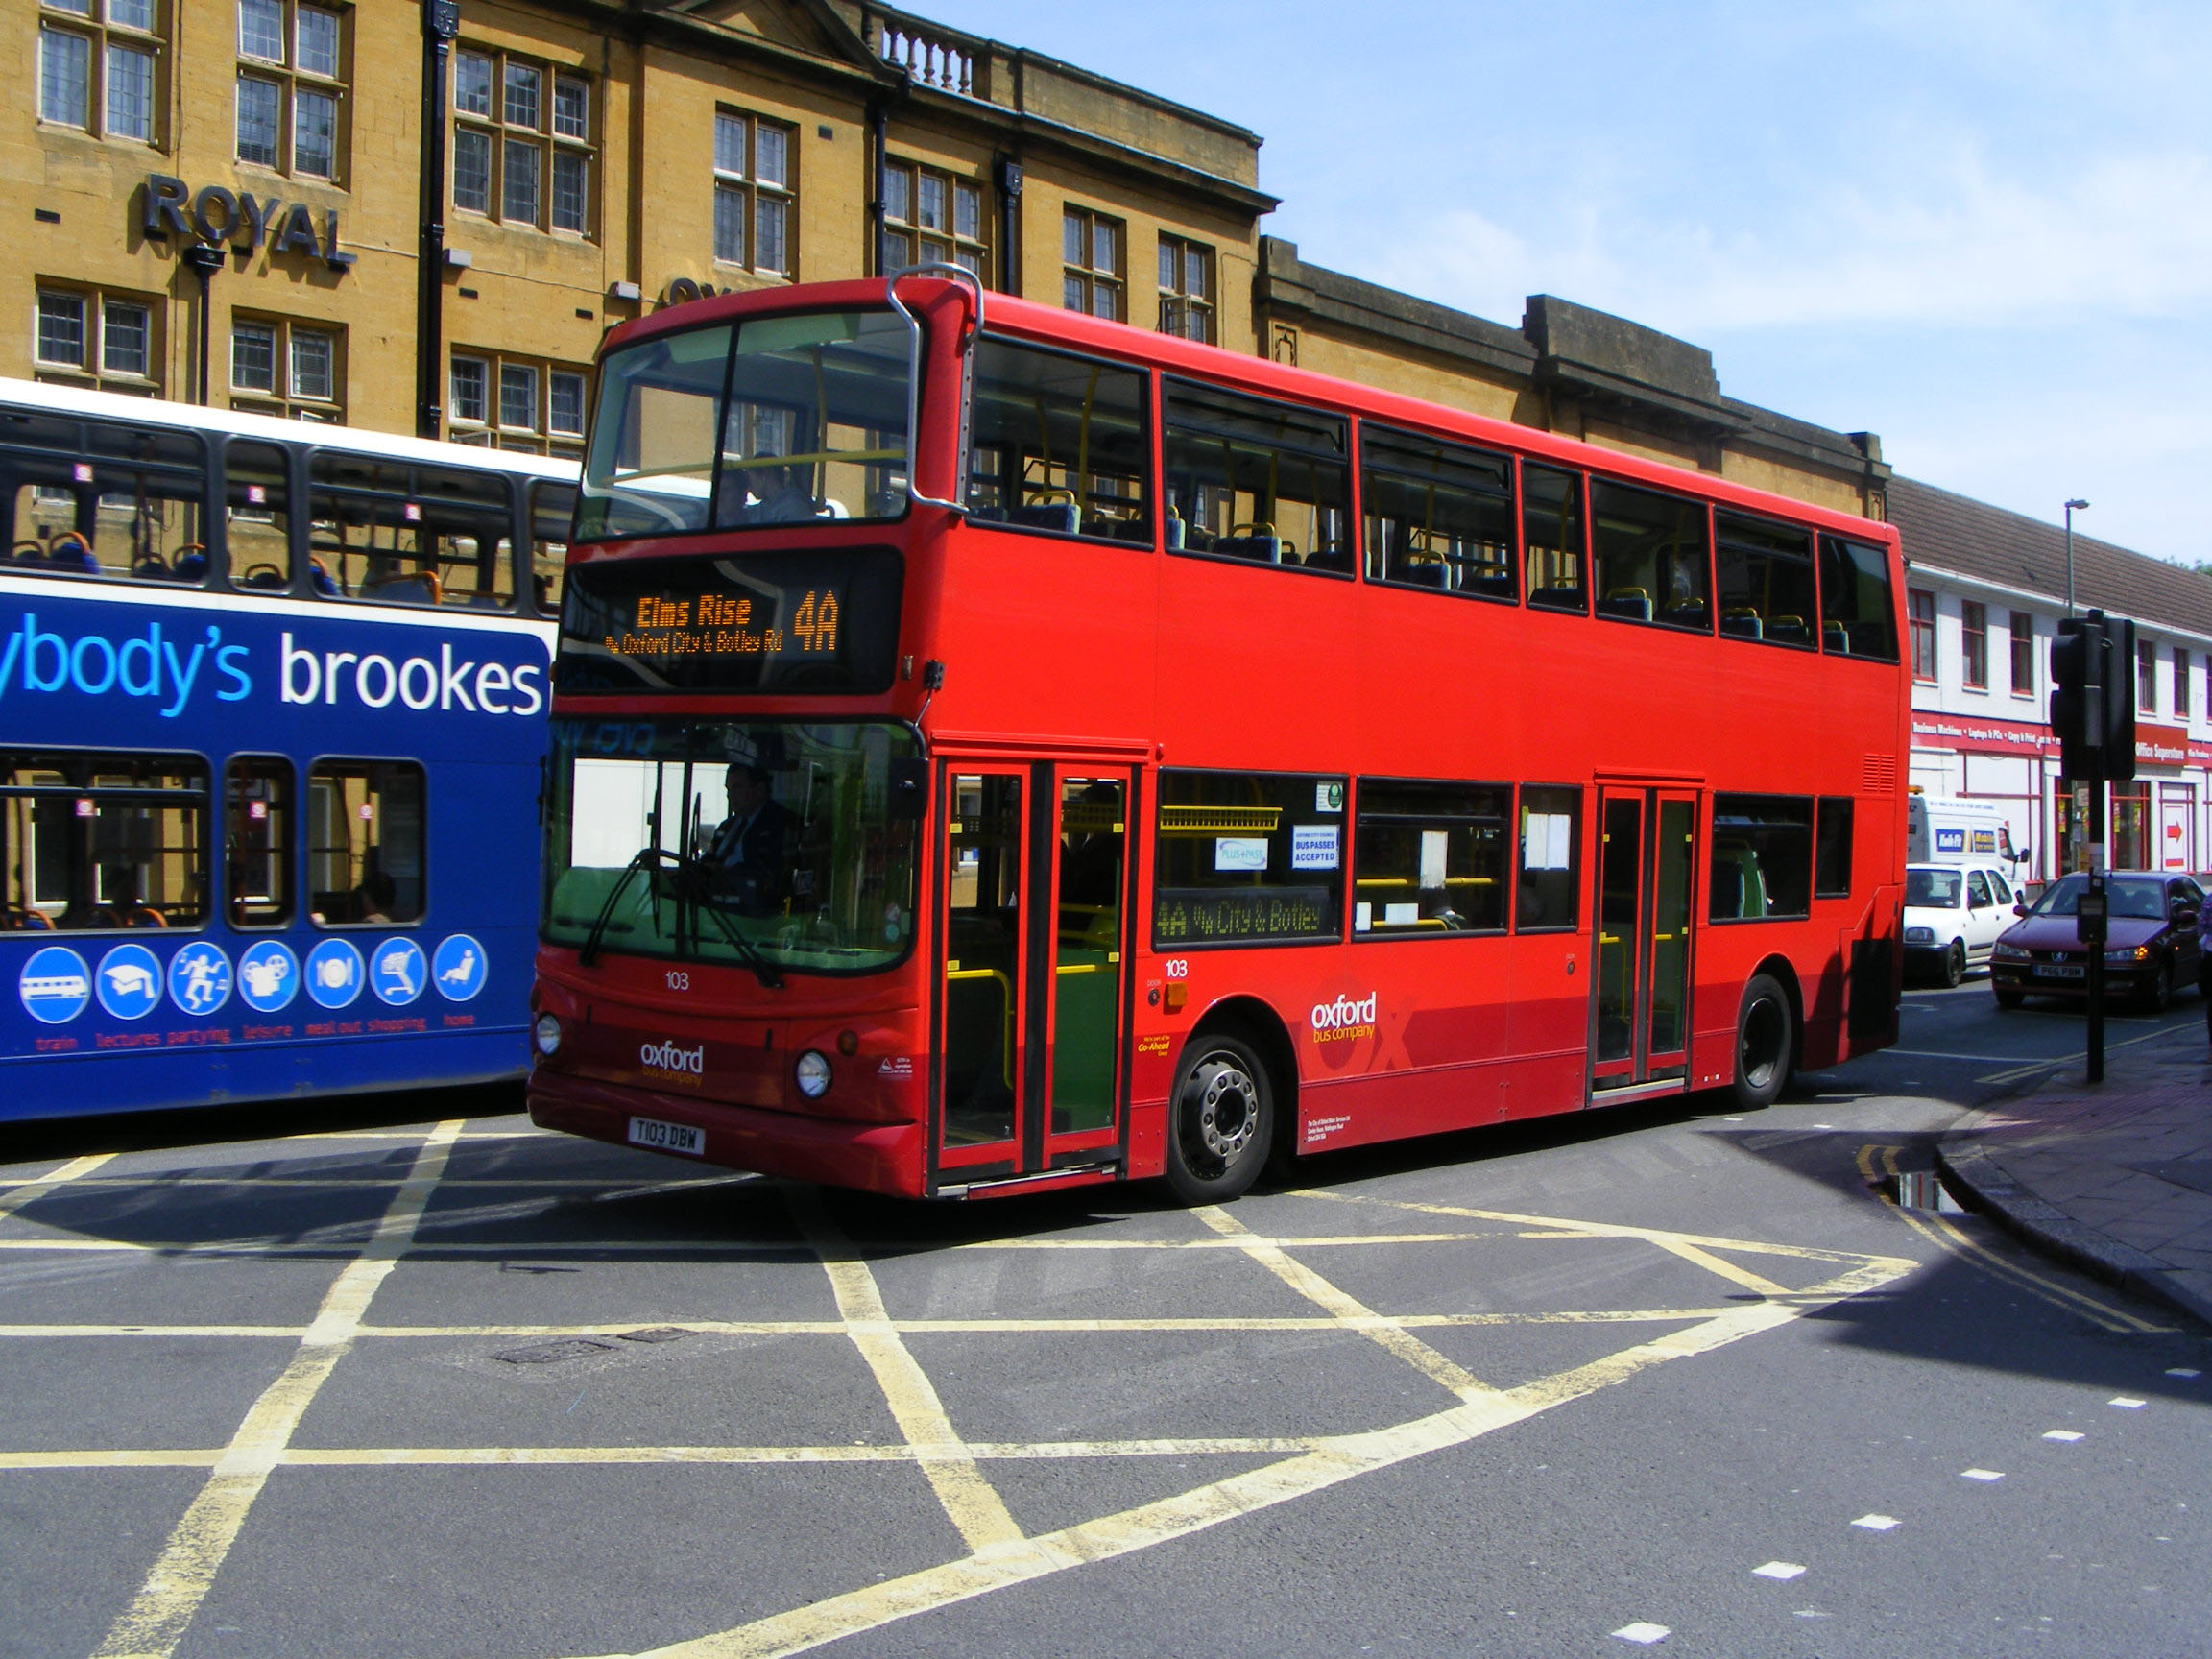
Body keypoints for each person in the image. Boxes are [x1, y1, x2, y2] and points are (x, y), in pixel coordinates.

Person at [705, 762, 794, 917]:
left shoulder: (780, 824)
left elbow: (768, 869)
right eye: (728, 789)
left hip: (756, 915)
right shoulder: (726, 827)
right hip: (717, 912)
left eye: (737, 787)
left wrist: (721, 872)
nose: (730, 795)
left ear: (759, 790)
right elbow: (707, 861)